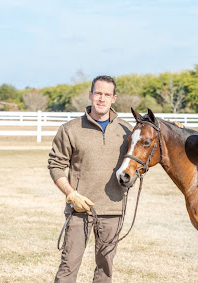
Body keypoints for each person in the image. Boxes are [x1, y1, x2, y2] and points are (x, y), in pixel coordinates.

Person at [48, 75, 133, 282]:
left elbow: (138, 161)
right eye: (98, 93)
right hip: (80, 210)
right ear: (90, 95)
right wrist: (71, 194)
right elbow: (55, 165)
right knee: (68, 266)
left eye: (107, 94)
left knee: (105, 270)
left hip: (113, 211)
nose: (102, 99)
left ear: (114, 98)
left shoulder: (127, 131)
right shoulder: (70, 129)